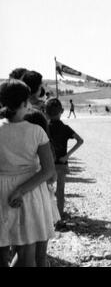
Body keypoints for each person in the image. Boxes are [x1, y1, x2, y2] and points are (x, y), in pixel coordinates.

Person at [0, 79, 56, 267]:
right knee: (26, 252)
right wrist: (21, 190)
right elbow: (48, 169)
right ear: (25, 102)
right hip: (30, 192)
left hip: (2, 191)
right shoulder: (36, 131)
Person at [23, 109, 61, 267]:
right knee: (40, 255)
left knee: (23, 251)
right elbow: (52, 176)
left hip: (21, 197)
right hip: (42, 198)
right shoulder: (45, 145)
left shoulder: (21, 147)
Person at [46, 98, 84, 218]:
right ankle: (60, 216)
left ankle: (48, 216)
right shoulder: (65, 128)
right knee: (60, 191)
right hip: (61, 163)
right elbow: (80, 140)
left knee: (46, 191)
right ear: (62, 111)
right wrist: (67, 155)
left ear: (46, 113)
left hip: (47, 164)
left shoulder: (44, 128)